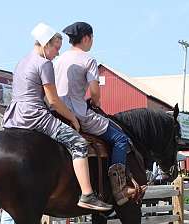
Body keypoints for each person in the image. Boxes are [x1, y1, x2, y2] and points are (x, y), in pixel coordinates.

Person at [2, 22, 111, 212]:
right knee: (78, 144)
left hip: (13, 117)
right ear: (46, 44)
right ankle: (87, 194)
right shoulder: (44, 64)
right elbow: (53, 101)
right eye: (56, 48)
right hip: (35, 116)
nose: (57, 54)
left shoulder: (21, 62)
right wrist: (73, 118)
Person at [54, 21, 133, 206]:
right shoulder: (88, 60)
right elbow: (95, 93)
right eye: (92, 38)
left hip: (56, 113)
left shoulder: (58, 60)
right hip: (78, 113)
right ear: (87, 38)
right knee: (120, 138)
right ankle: (119, 188)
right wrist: (96, 103)